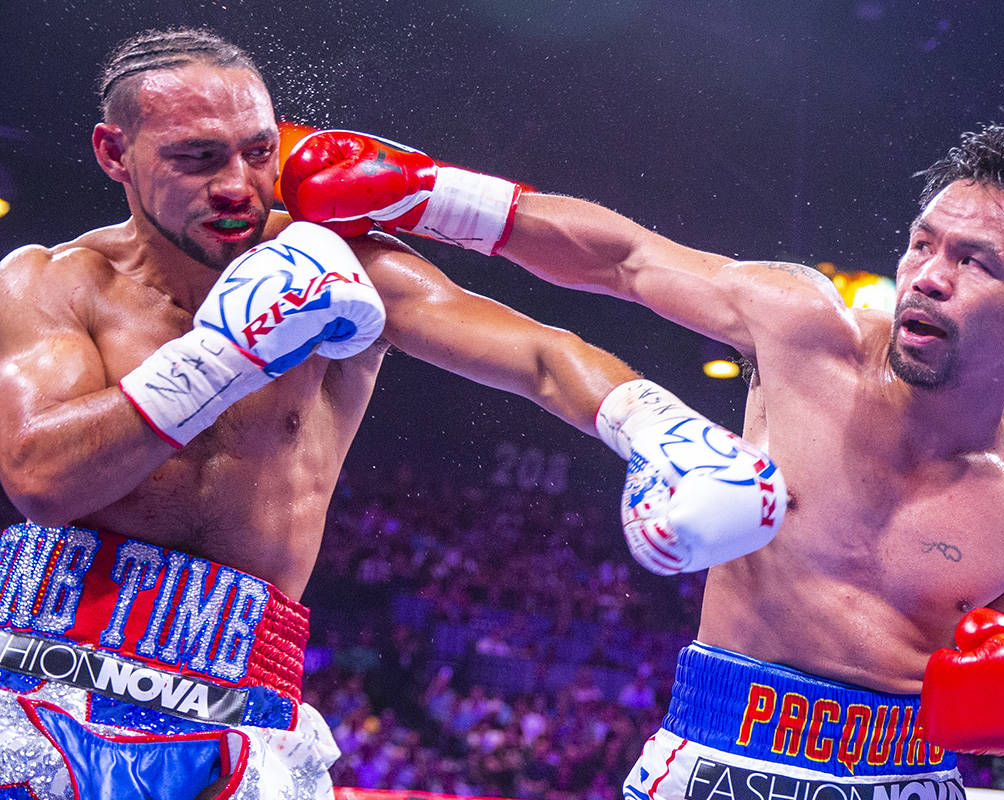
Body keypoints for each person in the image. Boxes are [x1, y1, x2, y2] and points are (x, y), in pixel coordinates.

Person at [0, 28, 784, 799]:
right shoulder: (51, 285)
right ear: (115, 153)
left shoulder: (338, 258)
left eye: (259, 150)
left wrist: (660, 429)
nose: (238, 183)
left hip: (240, 698)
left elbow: (540, 357)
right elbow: (41, 476)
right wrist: (226, 352)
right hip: (43, 678)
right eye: (198, 157)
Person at [283, 122, 1004, 798]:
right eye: (923, 245)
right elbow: (625, 257)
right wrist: (429, 194)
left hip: (904, 779)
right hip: (716, 759)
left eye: (973, 262)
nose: (927, 279)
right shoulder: (805, 334)